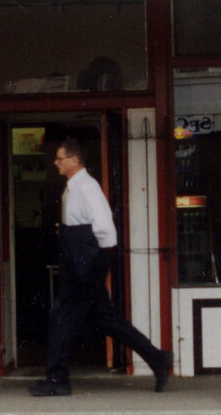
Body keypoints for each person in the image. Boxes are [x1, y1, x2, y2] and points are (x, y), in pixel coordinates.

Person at [30, 138, 173, 397]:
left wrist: (91, 257)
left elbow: (105, 228)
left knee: (62, 315)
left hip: (84, 259)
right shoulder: (75, 187)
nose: (56, 163)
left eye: (60, 158)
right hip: (82, 257)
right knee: (105, 318)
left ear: (74, 160)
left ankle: (57, 379)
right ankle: (158, 359)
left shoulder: (86, 187)